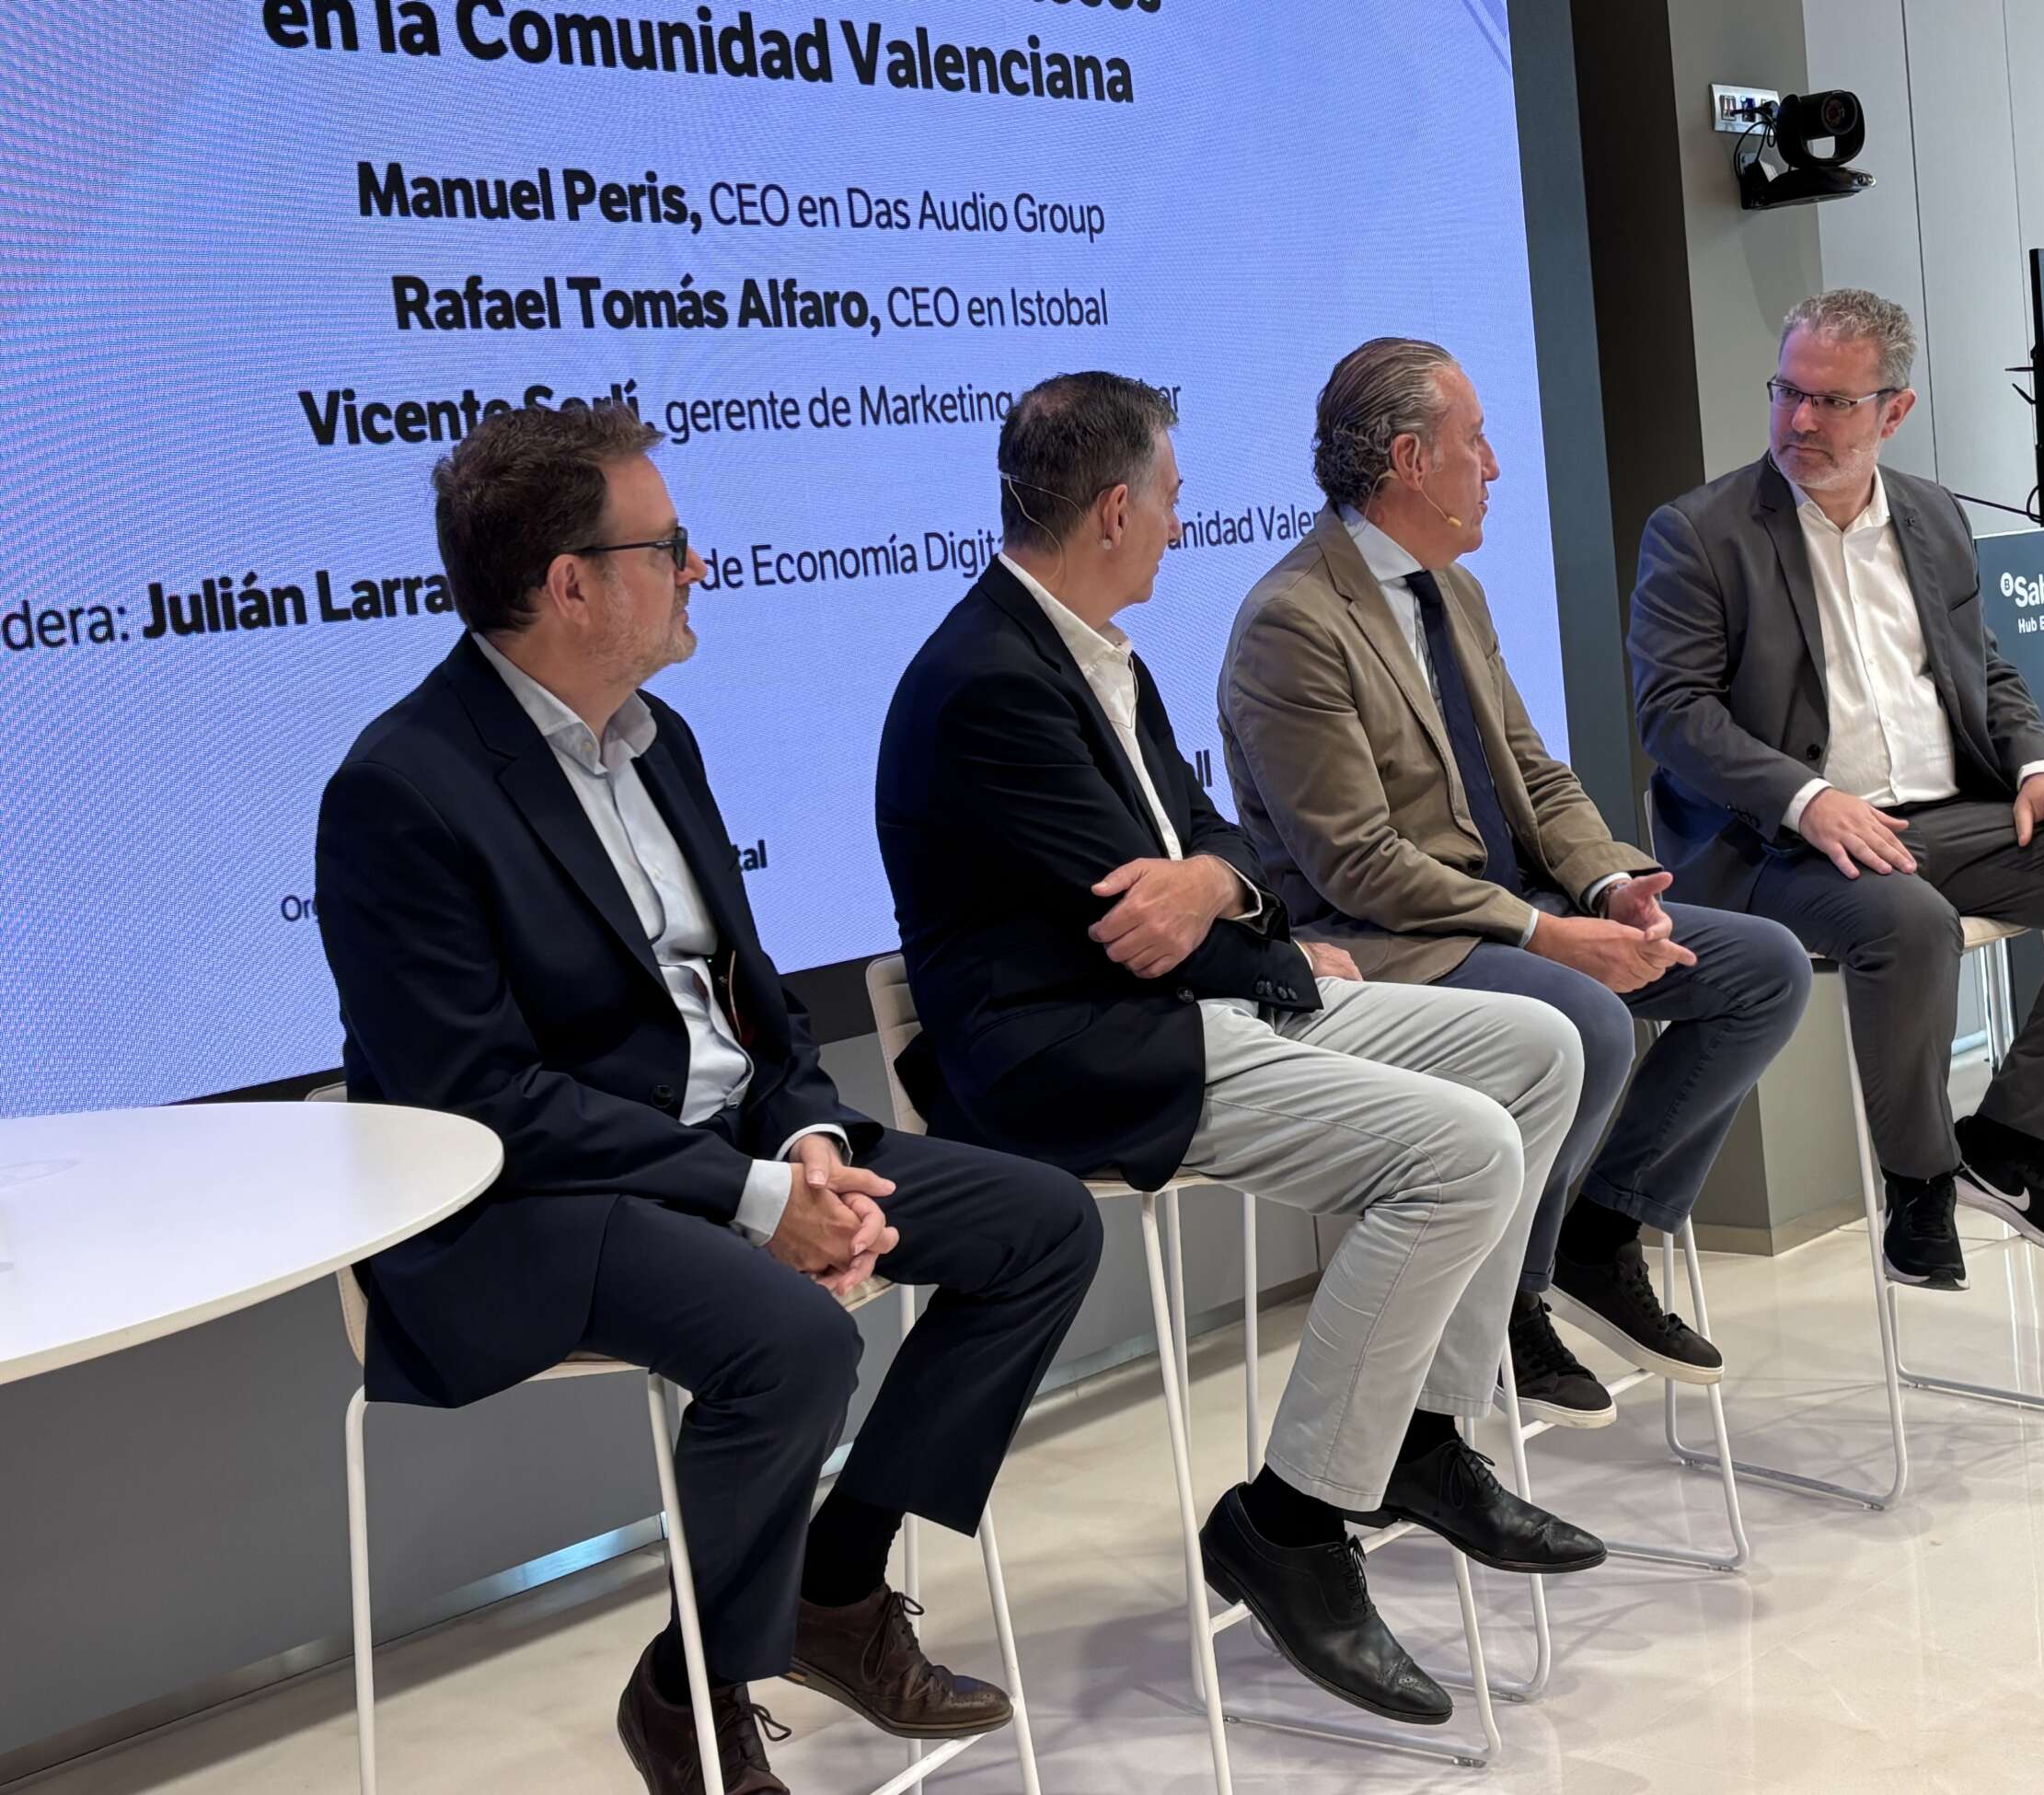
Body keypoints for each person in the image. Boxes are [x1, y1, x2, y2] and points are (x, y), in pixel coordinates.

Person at [315, 403, 1102, 1795]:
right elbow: (481, 1101)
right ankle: (692, 1694)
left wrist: (804, 1137)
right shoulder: (399, 788)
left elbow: (754, 1006)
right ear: (571, 582)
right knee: (792, 1337)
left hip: (734, 1152)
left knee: (1039, 1225)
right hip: (530, 1205)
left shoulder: (657, 737)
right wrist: (762, 1202)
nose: (699, 566)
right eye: (669, 545)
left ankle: (830, 1589)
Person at [877, 371, 1601, 1731]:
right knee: (1461, 1146)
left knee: (1536, 1050)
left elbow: (1215, 852)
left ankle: (1423, 1438)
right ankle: (1294, 1516)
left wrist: (1224, 895)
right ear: (1110, 508)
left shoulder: (1102, 649)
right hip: (1081, 1053)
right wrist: (1239, 914)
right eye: (1166, 495)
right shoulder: (988, 681)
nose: (1179, 518)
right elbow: (1137, 922)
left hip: (1190, 1002)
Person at [1218, 339, 1808, 1416]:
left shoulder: (1456, 592)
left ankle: (1599, 1229)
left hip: (1511, 913)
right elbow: (1352, 861)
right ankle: (1511, 1305)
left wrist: (1610, 886)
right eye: (1473, 440)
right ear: (1407, 459)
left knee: (1759, 967)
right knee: (1587, 1017)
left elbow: (1530, 772)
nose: (1491, 464)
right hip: (1384, 941)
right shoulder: (1293, 623)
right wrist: (1545, 938)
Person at [1628, 288, 2044, 1290]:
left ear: (1891, 411)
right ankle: (1920, 1181)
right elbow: (1673, 715)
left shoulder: (1930, 516)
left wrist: (2038, 769)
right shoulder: (1699, 533)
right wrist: (1807, 798)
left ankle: (2015, 1143)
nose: (1799, 421)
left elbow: (1983, 670)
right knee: (1907, 920)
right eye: (1785, 393)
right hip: (1774, 844)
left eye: (1831, 402)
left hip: (1949, 815)